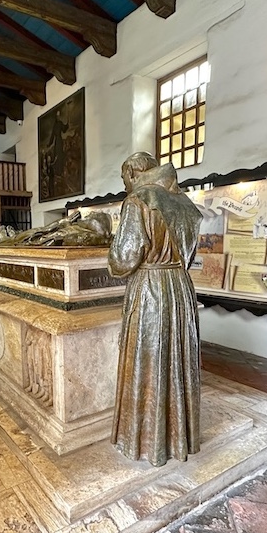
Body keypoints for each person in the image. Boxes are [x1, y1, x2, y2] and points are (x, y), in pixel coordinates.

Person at [108, 151, 203, 467]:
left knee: (147, 360)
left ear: (135, 173)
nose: (126, 186)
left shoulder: (139, 199)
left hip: (150, 289)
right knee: (176, 360)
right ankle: (177, 439)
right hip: (180, 288)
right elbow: (188, 254)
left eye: (125, 179)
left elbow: (123, 258)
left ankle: (146, 442)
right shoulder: (184, 203)